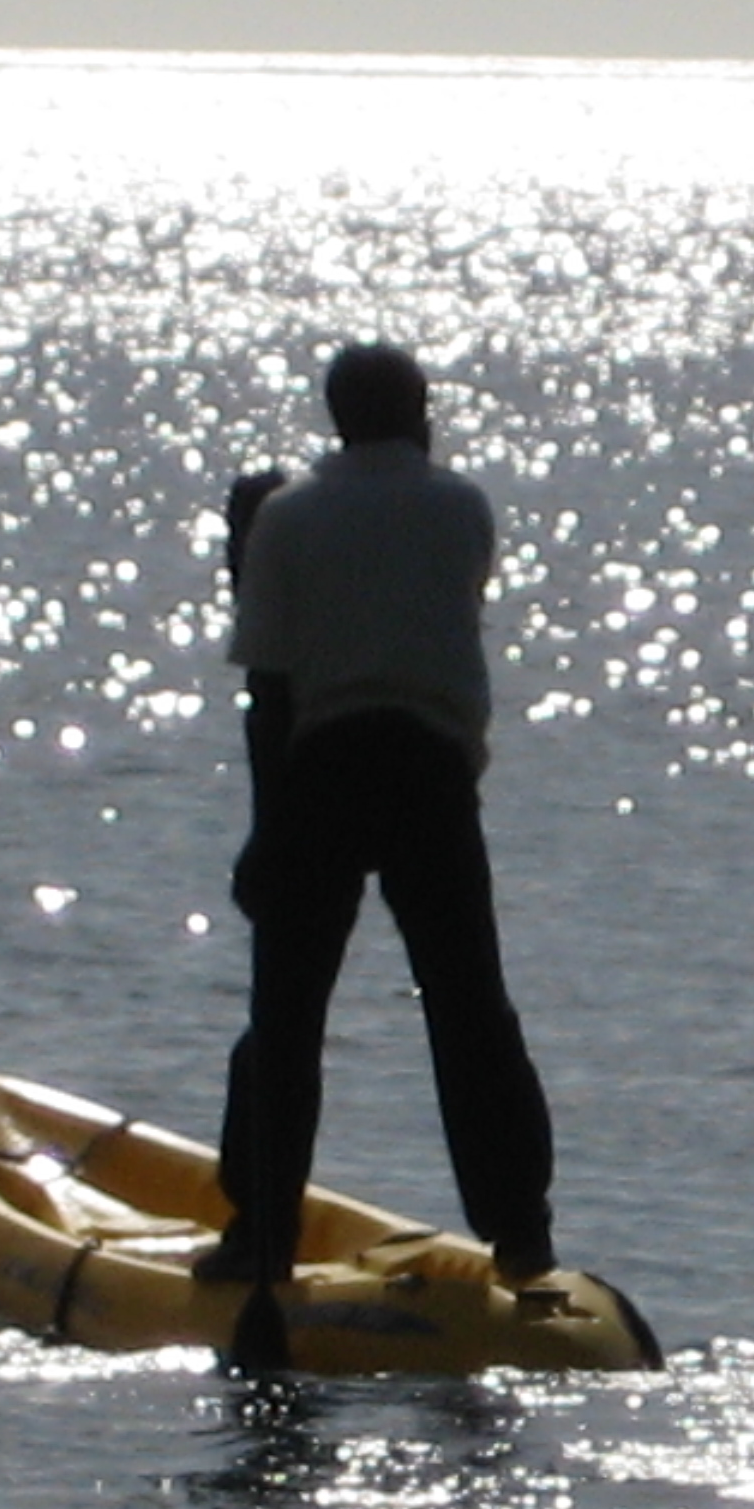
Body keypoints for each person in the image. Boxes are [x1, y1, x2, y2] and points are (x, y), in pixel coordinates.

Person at [197, 343, 558, 1291]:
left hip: (321, 768)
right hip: (433, 773)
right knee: (470, 1007)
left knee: (286, 1014)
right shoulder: (463, 508)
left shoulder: (286, 518)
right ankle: (522, 1234)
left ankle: (262, 1234)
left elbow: (272, 694)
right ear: (418, 413)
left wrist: (267, 837)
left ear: (337, 416)